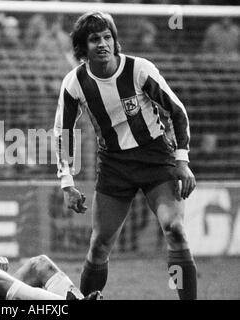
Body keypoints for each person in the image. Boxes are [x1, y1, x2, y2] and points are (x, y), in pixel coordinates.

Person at [54, 12, 197, 300]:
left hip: (156, 158)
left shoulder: (139, 70)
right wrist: (67, 182)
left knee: (175, 230)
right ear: (83, 48)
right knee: (99, 245)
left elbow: (177, 112)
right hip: (114, 165)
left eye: (108, 37)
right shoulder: (75, 82)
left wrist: (182, 160)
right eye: (95, 39)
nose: (103, 44)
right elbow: (63, 132)